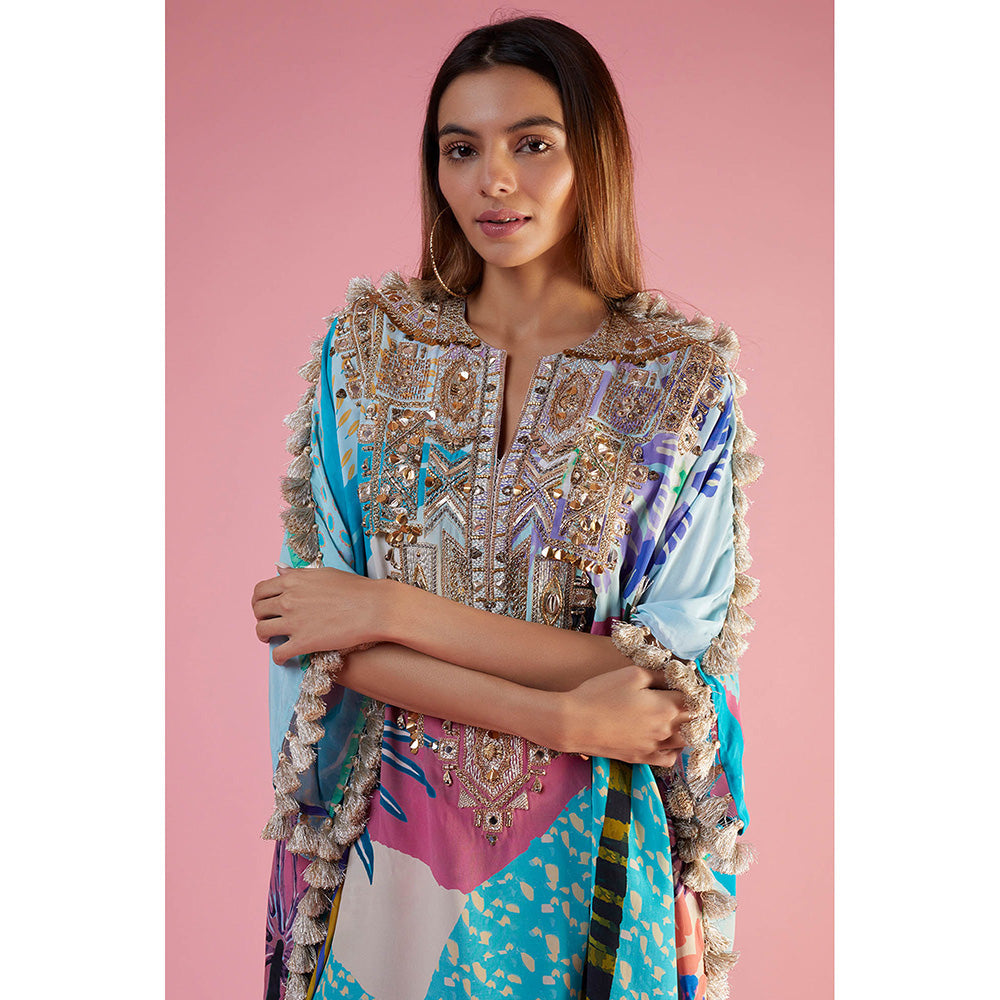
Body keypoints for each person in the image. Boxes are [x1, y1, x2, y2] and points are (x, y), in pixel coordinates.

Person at [251, 15, 760, 1000]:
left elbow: (667, 673)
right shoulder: (367, 352)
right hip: (382, 853)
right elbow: (311, 636)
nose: (493, 179)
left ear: (594, 156)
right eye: (461, 149)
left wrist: (387, 610)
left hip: (594, 854)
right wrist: (562, 714)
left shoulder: (681, 381)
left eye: (532, 143)